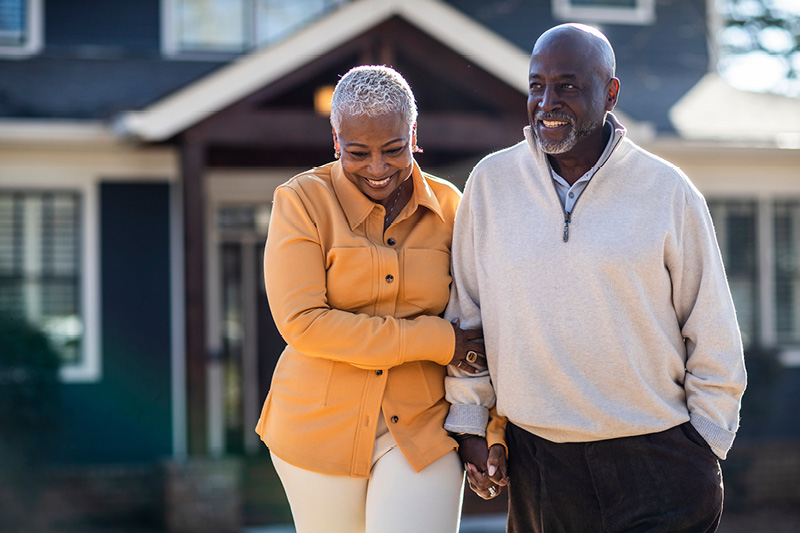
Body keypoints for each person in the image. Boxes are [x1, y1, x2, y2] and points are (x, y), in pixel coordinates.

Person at [443, 24, 747, 532]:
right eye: (537, 85)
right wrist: (472, 424)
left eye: (567, 85)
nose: (547, 102)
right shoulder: (490, 185)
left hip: (659, 461)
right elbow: (467, 315)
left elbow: (712, 327)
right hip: (538, 462)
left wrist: (707, 440)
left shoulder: (668, 191)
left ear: (610, 92)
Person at [254, 65, 486, 533]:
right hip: (317, 430)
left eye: (394, 149)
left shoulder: (450, 208)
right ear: (337, 141)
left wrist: (486, 426)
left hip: (423, 426)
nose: (378, 168)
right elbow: (304, 323)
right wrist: (438, 340)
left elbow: (479, 322)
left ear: (413, 134)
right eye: (358, 153)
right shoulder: (301, 202)